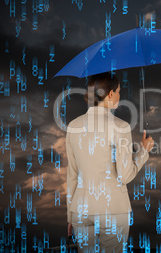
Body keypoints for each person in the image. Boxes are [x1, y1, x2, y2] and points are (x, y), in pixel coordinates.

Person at [65, 73, 154, 253]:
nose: (120, 96)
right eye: (119, 91)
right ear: (111, 94)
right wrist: (143, 151)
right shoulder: (120, 126)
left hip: (80, 210)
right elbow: (125, 174)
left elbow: (72, 175)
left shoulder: (73, 126)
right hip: (112, 209)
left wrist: (70, 216)